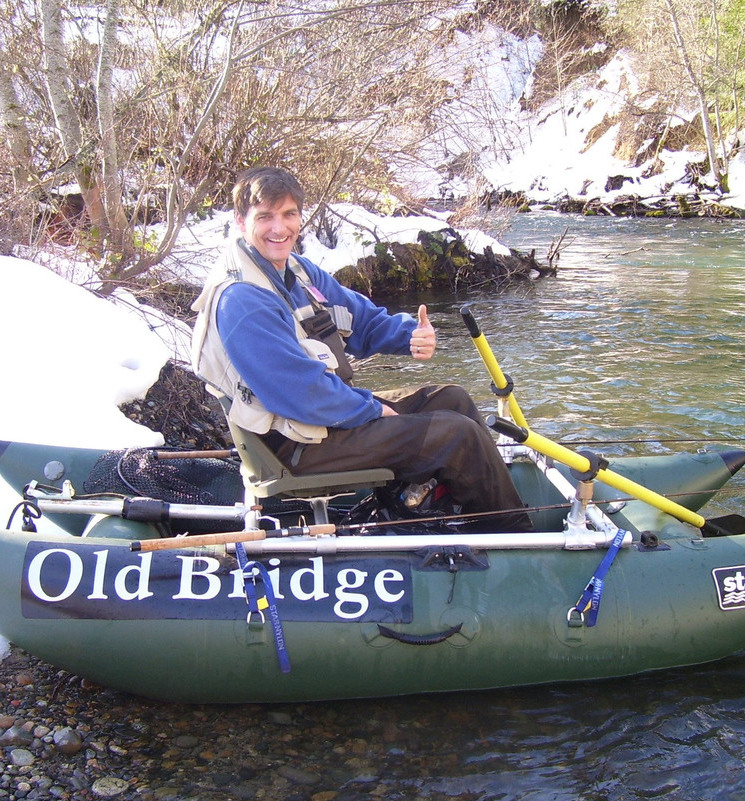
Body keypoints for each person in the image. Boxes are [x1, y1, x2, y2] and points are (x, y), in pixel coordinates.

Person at [191, 167, 531, 532]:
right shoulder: (243, 298)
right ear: (242, 222)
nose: (279, 228)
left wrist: (408, 336)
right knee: (455, 433)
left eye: (289, 214)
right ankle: (514, 536)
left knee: (452, 398)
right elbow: (300, 393)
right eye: (265, 217)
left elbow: (359, 318)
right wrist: (370, 410)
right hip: (292, 446)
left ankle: (456, 506)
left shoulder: (296, 272)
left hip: (315, 423)